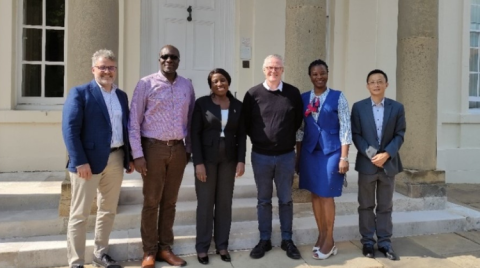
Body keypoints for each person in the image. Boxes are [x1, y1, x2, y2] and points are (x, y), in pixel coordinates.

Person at [62, 49, 134, 268]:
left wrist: (128, 157)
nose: (107, 71)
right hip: (87, 163)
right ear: (93, 69)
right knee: (80, 214)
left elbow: (126, 127)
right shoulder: (80, 93)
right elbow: (70, 129)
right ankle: (76, 262)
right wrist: (79, 161)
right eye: (102, 67)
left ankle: (100, 254)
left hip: (116, 158)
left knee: (108, 210)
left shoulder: (121, 95)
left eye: (111, 67)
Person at [129, 45, 195, 268]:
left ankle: (165, 248)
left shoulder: (187, 85)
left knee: (170, 202)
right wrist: (137, 154)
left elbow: (192, 120)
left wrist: (188, 150)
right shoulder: (146, 83)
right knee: (151, 201)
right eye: (164, 56)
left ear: (178, 60)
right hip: (153, 149)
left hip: (177, 149)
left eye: (173, 57)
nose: (169, 60)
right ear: (159, 59)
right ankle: (149, 251)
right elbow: (133, 122)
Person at [242, 54, 303, 260]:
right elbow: (247, 124)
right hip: (261, 156)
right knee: (264, 200)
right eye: (269, 67)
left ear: (282, 70)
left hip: (286, 156)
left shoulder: (293, 93)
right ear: (263, 70)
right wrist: (262, 139)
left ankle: (287, 239)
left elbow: (296, 122)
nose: (273, 71)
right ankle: (264, 240)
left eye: (277, 68)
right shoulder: (252, 94)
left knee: (286, 199)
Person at [296, 59, 352, 260]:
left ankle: (330, 239)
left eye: (322, 73)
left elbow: (346, 127)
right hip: (310, 152)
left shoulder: (339, 97)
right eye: (315, 74)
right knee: (315, 194)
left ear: (327, 73)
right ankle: (320, 234)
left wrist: (344, 157)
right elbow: (300, 130)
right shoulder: (303, 98)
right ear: (310, 76)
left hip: (332, 152)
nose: (319, 77)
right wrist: (298, 156)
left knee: (326, 194)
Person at [191, 68, 247, 265]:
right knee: (205, 204)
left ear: (228, 82)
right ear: (210, 85)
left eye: (222, 80)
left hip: (229, 160)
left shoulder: (238, 106)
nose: (219, 84)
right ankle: (202, 247)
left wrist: (241, 160)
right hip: (206, 159)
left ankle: (222, 245)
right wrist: (198, 163)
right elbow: (194, 134)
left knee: (224, 203)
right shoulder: (202, 104)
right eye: (215, 81)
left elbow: (241, 135)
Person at [351, 69, 406, 261]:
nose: (376, 85)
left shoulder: (397, 107)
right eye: (372, 82)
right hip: (367, 164)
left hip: (388, 165)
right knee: (365, 205)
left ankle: (384, 242)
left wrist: (387, 154)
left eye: (380, 81)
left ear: (386, 84)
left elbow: (400, 134)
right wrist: (373, 154)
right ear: (367, 86)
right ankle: (367, 242)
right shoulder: (358, 107)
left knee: (385, 206)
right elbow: (356, 134)